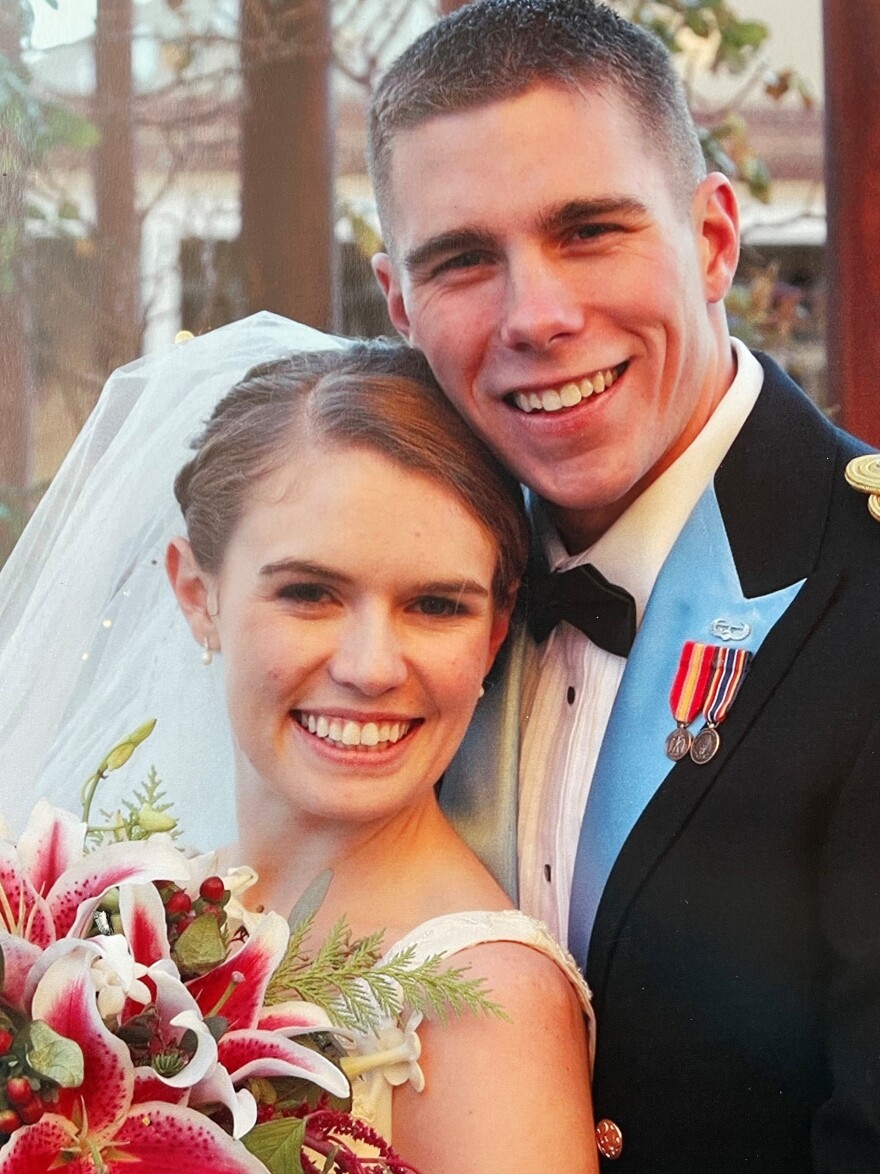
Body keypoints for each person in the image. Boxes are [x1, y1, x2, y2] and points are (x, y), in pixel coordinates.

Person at [366, 1, 880, 1171]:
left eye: (589, 230)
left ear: (710, 239)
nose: (536, 316)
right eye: (460, 261)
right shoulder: (389, 613)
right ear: (398, 304)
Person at [0, 318, 598, 1172]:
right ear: (196, 593)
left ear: (495, 633)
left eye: (436, 606)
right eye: (311, 593)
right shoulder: (126, 927)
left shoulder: (482, 1006)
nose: (369, 667)